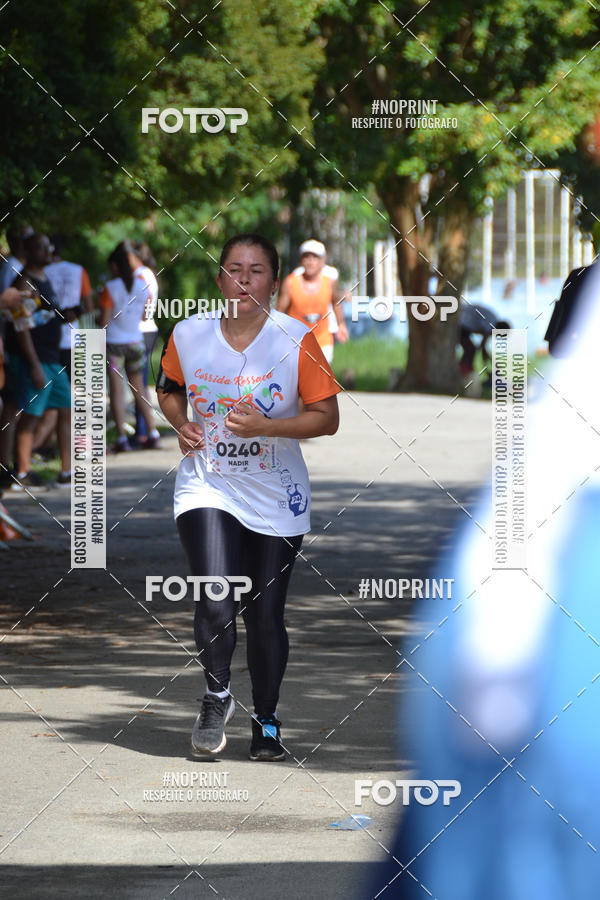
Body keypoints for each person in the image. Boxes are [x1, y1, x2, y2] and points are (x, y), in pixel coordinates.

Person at [157, 232, 340, 761]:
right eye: (234, 268)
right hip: (207, 483)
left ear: (272, 281)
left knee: (264, 614)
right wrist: (180, 423)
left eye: (256, 270)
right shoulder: (189, 334)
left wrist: (266, 426)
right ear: (219, 279)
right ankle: (216, 698)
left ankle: (266, 720)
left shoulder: (296, 337)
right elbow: (168, 388)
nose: (243, 278)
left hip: (275, 493)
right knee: (216, 596)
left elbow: (327, 419)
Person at [4, 234, 72, 489]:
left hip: (53, 358)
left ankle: (66, 471)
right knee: (30, 416)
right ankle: (22, 472)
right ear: (29, 251)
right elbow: (21, 328)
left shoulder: (45, 281)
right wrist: (33, 366)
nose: (48, 251)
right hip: (37, 359)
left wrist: (63, 316)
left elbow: (41, 317)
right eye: (42, 247)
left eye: (48, 246)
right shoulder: (24, 284)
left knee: (66, 411)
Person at [98, 240, 161, 452]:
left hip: (115, 345)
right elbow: (145, 314)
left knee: (117, 391)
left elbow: (104, 321)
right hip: (136, 342)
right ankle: (152, 431)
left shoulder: (110, 288)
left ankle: (122, 438)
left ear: (115, 267)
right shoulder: (142, 285)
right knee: (140, 390)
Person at [277, 238, 349, 364]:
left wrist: (341, 325)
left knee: (320, 379)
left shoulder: (330, 282)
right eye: (306, 257)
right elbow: (280, 311)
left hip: (323, 340)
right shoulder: (290, 282)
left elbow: (336, 303)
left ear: (322, 261)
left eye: (314, 258)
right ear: (301, 260)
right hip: (295, 342)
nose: (310, 262)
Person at [132, 241, 159, 445]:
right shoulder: (149, 272)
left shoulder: (140, 274)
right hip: (149, 329)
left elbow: (146, 300)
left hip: (140, 331)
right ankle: (144, 430)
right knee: (139, 383)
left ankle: (144, 431)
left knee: (138, 384)